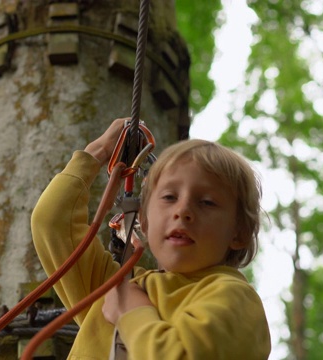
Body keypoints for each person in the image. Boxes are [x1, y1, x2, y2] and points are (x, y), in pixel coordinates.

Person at [31, 118, 271, 359]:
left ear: (238, 233)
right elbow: (52, 223)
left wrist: (131, 312)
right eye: (168, 197)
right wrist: (99, 151)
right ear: (144, 222)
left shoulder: (234, 297)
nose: (183, 210)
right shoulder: (115, 289)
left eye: (207, 202)